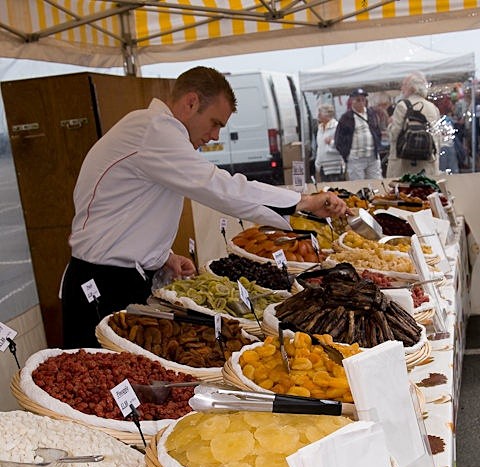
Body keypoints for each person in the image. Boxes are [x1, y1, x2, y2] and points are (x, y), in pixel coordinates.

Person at [62, 66, 348, 348]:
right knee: (98, 383)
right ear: (191, 102)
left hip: (117, 276)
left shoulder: (153, 132)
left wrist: (160, 256)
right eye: (215, 123)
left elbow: (130, 210)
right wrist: (301, 202)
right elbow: (217, 185)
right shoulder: (155, 131)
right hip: (101, 283)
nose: (215, 136)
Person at [386, 72, 440, 180]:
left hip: (403, 166)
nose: (402, 88)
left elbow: (394, 135)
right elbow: (438, 139)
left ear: (412, 88)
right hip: (427, 164)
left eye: (404, 85)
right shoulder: (433, 108)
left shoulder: (402, 106)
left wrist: (390, 125)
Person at [334, 89, 383, 181]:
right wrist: (346, 154)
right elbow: (338, 139)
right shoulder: (346, 118)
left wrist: (378, 146)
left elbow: (377, 131)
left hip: (372, 156)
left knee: (376, 182)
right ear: (352, 101)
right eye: (358, 100)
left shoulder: (371, 114)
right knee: (358, 185)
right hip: (356, 158)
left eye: (363, 100)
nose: (361, 103)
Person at [314, 104, 344, 183]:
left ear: (327, 114)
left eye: (320, 113)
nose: (318, 115)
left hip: (334, 167)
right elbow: (319, 146)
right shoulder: (320, 128)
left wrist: (331, 142)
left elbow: (342, 145)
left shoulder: (336, 127)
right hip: (323, 166)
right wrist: (317, 162)